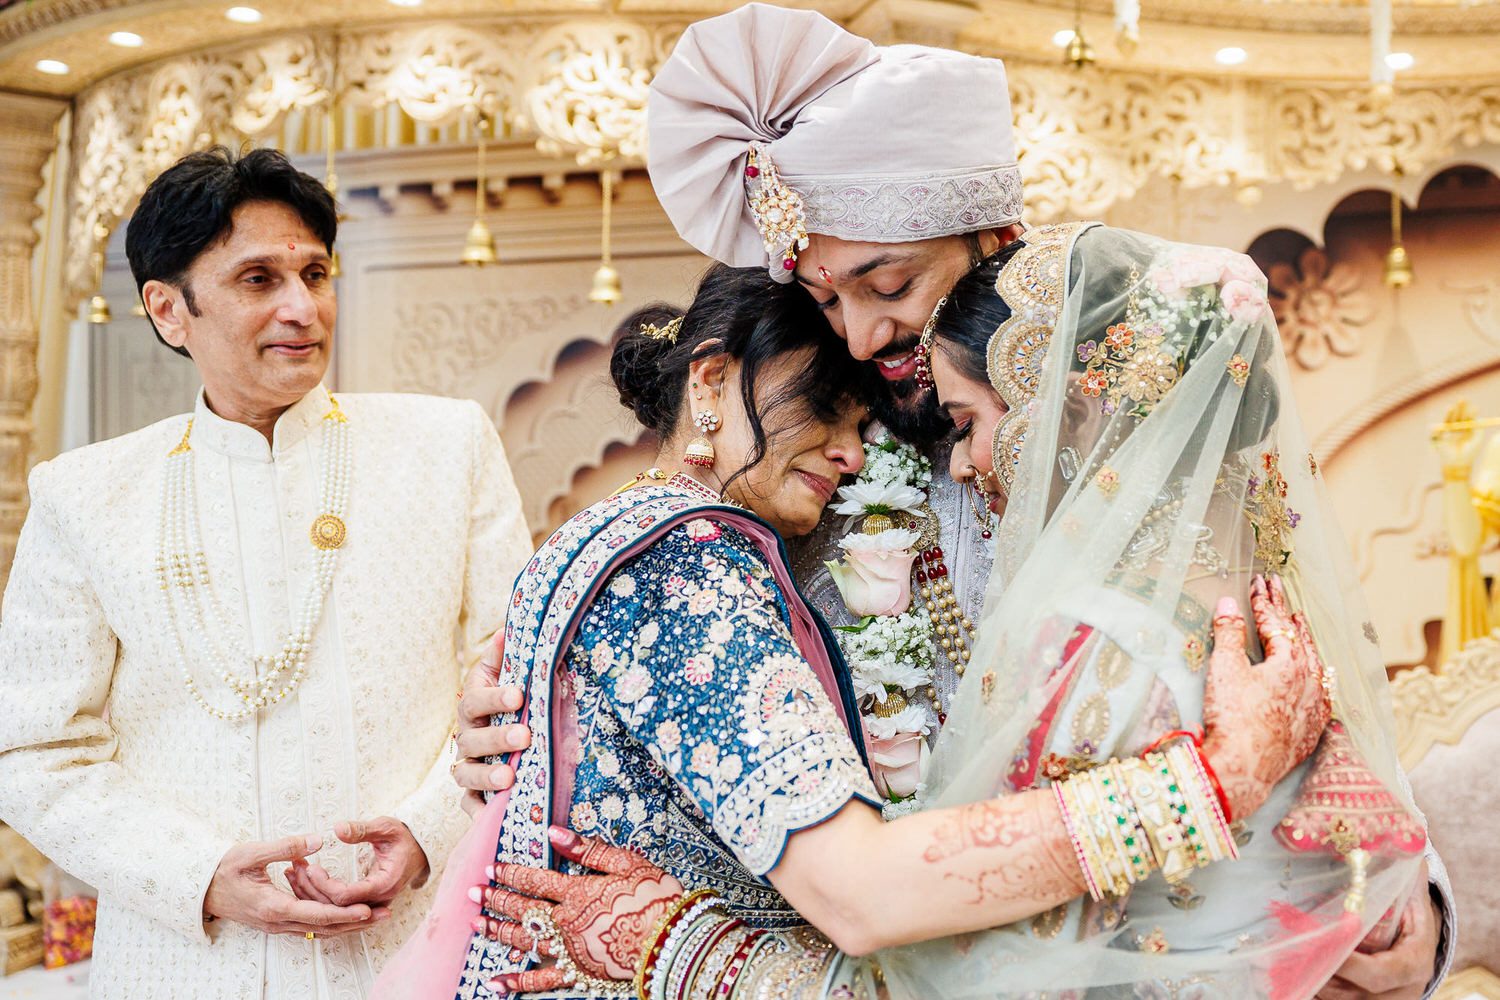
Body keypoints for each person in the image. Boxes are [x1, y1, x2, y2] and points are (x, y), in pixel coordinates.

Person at [456, 5, 1455, 996]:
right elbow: (680, 707)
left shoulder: (1141, 455)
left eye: (886, 281)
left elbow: (1301, 712)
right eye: (828, 303)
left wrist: (1402, 906)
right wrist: (503, 744)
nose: (858, 339)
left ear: (994, 237)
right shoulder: (814, 496)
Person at [388, 262, 1328, 1000]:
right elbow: (863, 893)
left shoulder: (623, 534)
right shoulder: (687, 563)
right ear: (712, 380)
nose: (853, 448)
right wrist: (1213, 779)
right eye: (827, 406)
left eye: (867, 419)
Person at [0, 147, 533, 999]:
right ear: (169, 310)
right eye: (257, 279)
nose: (302, 308)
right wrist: (199, 874)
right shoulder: (85, 496)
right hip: (185, 964)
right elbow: (33, 751)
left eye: (315, 273)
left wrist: (428, 835)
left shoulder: (445, 449)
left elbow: (520, 683)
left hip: (422, 945)